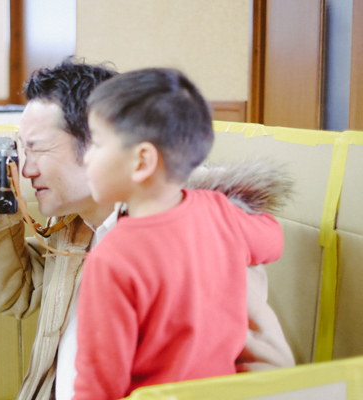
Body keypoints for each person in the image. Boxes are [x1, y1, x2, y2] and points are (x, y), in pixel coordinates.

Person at [0, 58, 295, 400]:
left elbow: (264, 370)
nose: (24, 169)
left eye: (36, 148)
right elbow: (19, 294)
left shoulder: (191, 239)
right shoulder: (77, 229)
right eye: (20, 150)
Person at [72, 68, 284, 400]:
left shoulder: (112, 258)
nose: (86, 158)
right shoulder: (219, 211)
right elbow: (273, 241)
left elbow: (98, 386)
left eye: (96, 143)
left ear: (142, 160)